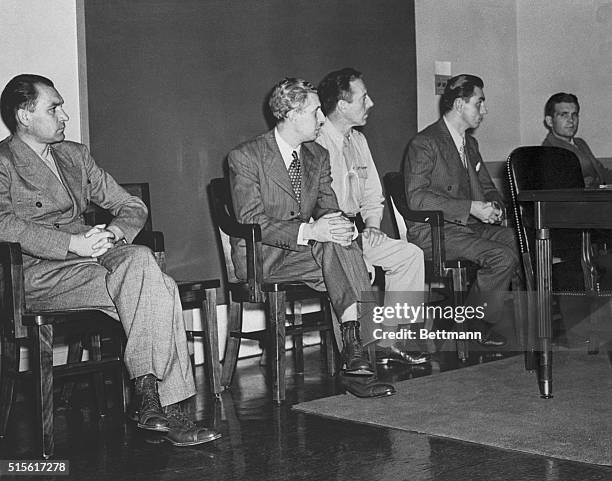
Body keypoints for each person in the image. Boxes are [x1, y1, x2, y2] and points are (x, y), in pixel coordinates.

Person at [0, 74, 220, 446]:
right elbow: (4, 223)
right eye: (54, 108)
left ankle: (149, 397)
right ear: (24, 115)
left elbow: (131, 205)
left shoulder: (75, 155)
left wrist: (113, 234)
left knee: (141, 263)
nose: (64, 115)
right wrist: (73, 244)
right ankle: (171, 408)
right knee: (160, 288)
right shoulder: (4, 162)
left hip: (92, 262)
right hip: (39, 274)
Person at [227, 77, 395, 398]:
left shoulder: (316, 156)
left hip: (308, 256)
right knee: (340, 255)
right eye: (316, 112)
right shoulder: (246, 156)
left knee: (337, 242)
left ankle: (353, 349)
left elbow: (330, 210)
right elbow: (250, 219)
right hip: (263, 257)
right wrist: (310, 231)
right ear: (291, 113)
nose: (322, 119)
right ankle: (359, 358)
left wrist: (343, 229)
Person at [316, 68, 428, 365]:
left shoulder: (358, 141)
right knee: (357, 268)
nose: (371, 103)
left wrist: (374, 226)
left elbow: (372, 194)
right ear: (342, 105)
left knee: (410, 255)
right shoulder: (316, 142)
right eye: (363, 97)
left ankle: (388, 342)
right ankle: (357, 352)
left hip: (356, 231)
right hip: (328, 238)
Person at [403, 74, 519, 347]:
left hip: (469, 229)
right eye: (479, 103)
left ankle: (471, 317)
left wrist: (495, 208)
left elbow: (488, 189)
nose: (485, 110)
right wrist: (470, 208)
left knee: (521, 242)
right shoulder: (425, 143)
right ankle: (472, 322)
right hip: (436, 233)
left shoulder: (471, 144)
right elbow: (416, 199)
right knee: (501, 256)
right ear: (459, 104)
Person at [542, 92, 612, 188]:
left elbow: (601, 172)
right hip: (581, 200)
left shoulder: (580, 143)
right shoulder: (550, 150)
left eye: (574, 114)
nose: (571, 120)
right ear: (550, 121)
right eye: (564, 115)